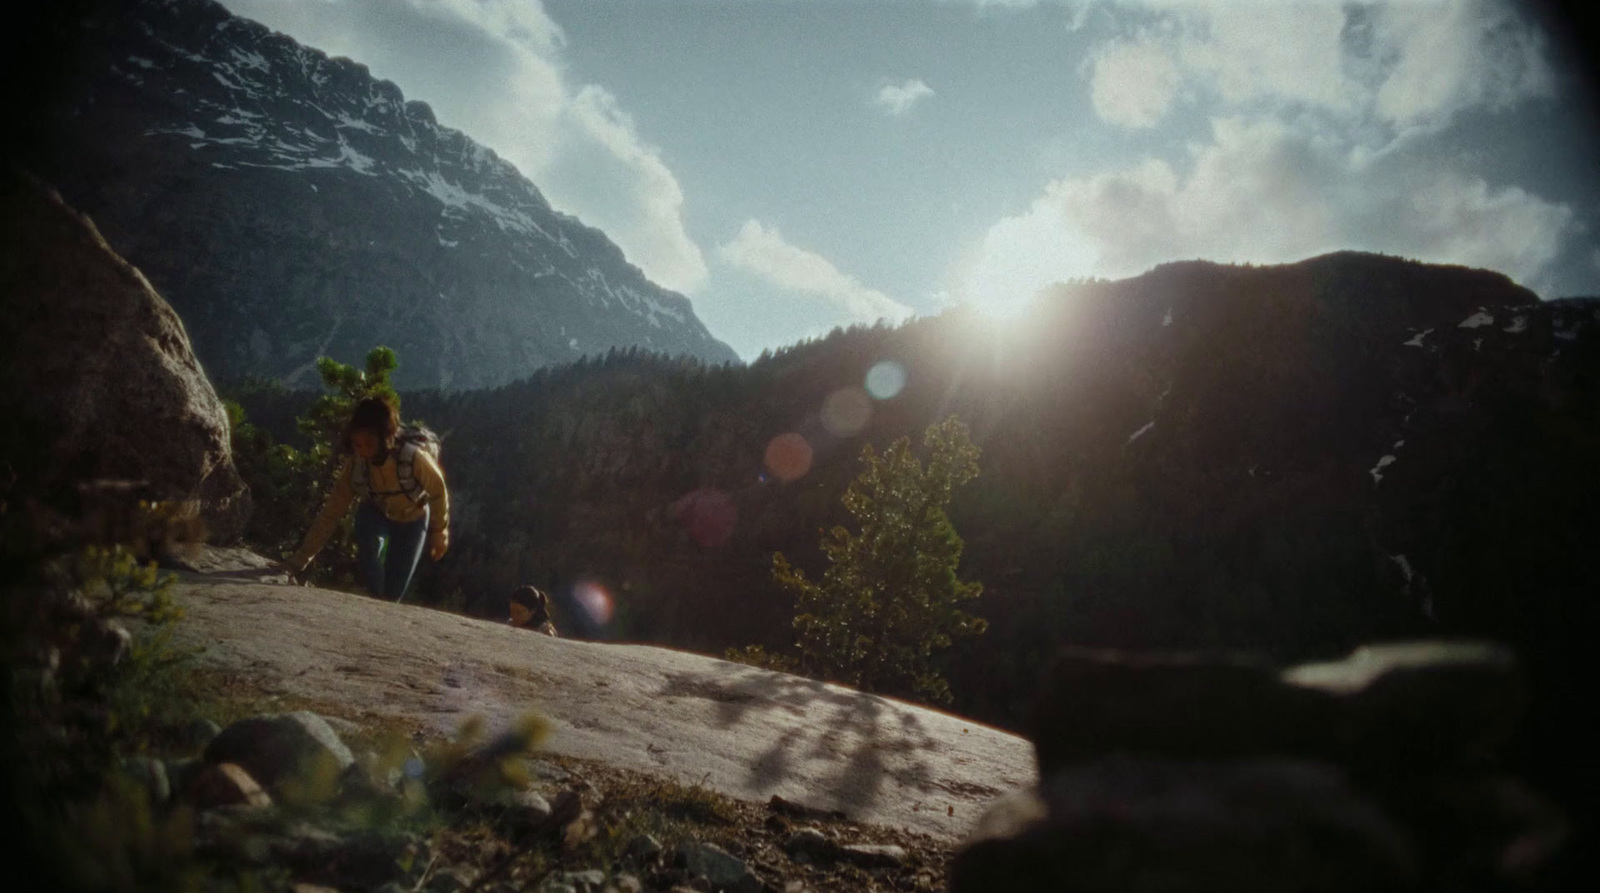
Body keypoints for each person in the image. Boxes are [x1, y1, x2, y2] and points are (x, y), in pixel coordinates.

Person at [278, 396, 449, 601]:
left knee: (393, 593)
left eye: (369, 444)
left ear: (387, 437)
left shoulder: (414, 458)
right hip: (376, 513)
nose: (362, 451)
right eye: (357, 444)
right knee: (366, 538)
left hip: (413, 520)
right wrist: (300, 559)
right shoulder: (356, 465)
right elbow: (331, 512)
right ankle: (376, 602)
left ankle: (381, 606)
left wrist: (440, 531)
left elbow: (438, 490)